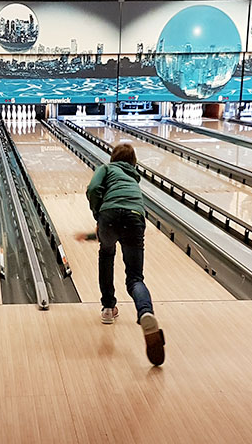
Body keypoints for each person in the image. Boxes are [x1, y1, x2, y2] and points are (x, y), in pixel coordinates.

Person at [84, 142, 165, 366]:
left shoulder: (107, 168)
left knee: (106, 255)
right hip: (135, 218)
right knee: (135, 278)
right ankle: (145, 312)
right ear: (133, 162)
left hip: (109, 217)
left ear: (113, 158)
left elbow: (92, 189)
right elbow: (134, 206)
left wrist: (98, 216)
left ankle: (108, 307)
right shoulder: (134, 178)